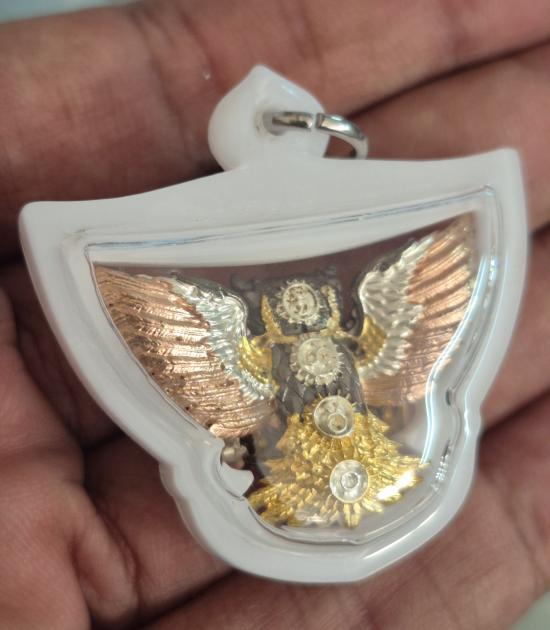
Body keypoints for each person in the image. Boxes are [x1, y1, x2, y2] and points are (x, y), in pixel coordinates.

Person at [0, 1, 549, 628]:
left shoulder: (372, 316)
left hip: (370, 448)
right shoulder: (244, 347)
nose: (306, 316)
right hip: (288, 466)